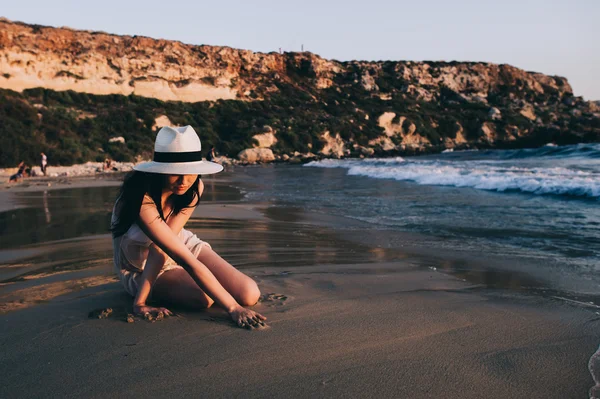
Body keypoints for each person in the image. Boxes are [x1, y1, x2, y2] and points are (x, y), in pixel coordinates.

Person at [110, 125, 266, 329]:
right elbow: (163, 253)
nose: (184, 181)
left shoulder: (194, 187)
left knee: (249, 293)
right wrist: (140, 303)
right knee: (203, 298)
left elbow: (172, 245)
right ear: (160, 170)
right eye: (175, 173)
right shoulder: (141, 199)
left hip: (179, 245)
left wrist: (239, 304)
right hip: (140, 266)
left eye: (190, 172)